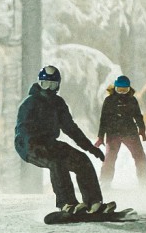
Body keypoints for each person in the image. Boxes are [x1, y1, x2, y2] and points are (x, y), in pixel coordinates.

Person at [15, 66, 113, 214]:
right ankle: (67, 204)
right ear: (39, 83)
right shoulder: (30, 103)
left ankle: (93, 202)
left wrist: (90, 148)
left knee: (82, 160)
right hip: (29, 145)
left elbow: (71, 129)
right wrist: (32, 144)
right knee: (56, 162)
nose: (48, 89)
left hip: (50, 143)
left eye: (52, 85)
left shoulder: (58, 103)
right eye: (44, 84)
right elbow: (22, 129)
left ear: (58, 85)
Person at [95, 75, 146, 189]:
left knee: (140, 156)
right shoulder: (109, 100)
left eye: (124, 90)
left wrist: (142, 129)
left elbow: (138, 116)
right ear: (115, 88)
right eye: (119, 90)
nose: (121, 93)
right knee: (110, 158)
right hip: (113, 134)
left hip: (130, 133)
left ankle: (145, 182)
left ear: (128, 89)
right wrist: (100, 137)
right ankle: (105, 182)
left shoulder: (132, 100)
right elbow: (104, 119)